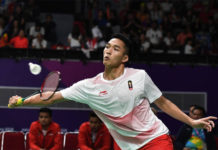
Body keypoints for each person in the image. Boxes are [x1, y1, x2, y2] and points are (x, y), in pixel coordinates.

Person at [8, 33, 216, 150]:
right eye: (107, 46)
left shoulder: (140, 77)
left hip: (155, 140)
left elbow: (163, 103)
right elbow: (51, 97)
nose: (108, 50)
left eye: (115, 48)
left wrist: (191, 121)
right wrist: (21, 102)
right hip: (125, 146)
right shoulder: (88, 86)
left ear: (125, 58)